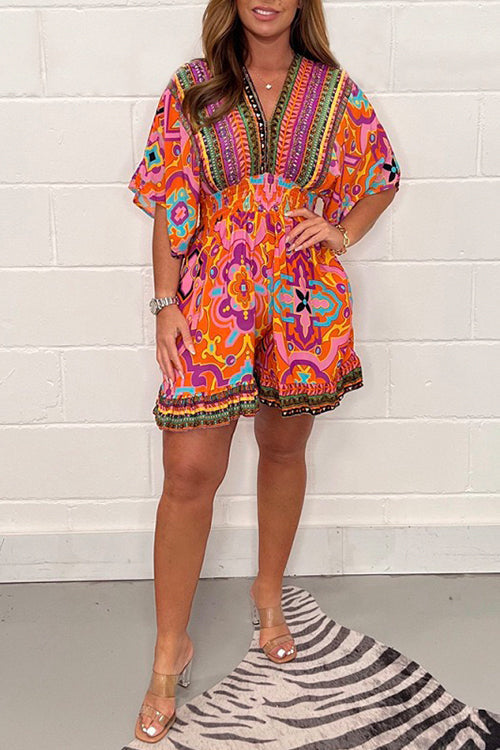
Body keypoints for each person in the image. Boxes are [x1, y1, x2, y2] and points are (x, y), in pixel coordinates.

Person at [128, 0, 401, 741]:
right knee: (189, 470)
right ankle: (169, 651)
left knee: (284, 447)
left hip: (300, 293)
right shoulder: (195, 87)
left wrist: (341, 231)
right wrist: (165, 302)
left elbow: (381, 173)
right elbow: (170, 200)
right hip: (214, 293)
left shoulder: (333, 91)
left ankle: (269, 594)